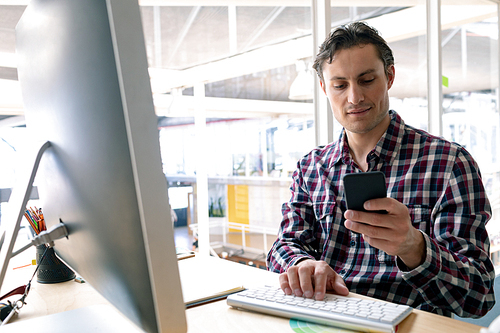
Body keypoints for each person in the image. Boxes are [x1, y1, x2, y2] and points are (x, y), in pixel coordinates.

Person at [266, 21, 495, 318]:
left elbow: (479, 296)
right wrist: (299, 264)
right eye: (340, 85)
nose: (354, 98)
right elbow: (285, 245)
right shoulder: (312, 167)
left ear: (389, 76)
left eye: (366, 80)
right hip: (321, 320)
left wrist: (415, 247)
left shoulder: (449, 162)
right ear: (324, 88)